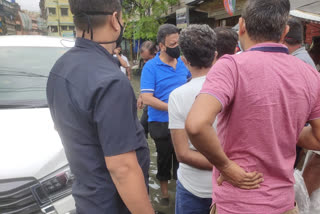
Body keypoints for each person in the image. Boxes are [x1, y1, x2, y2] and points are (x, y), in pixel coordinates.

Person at [185, 0, 320, 213]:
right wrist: (284, 130)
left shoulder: (231, 67)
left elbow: (196, 125)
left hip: (236, 204)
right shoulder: (310, 74)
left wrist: (226, 166)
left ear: (241, 25)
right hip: (283, 204)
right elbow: (317, 137)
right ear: (285, 31)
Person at [46, 0, 153, 213]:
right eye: (122, 19)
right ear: (115, 20)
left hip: (86, 198)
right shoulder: (111, 81)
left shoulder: (60, 68)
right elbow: (122, 168)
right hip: (112, 204)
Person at [168, 24, 240, 214]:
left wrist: (225, 165)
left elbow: (182, 153)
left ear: (184, 60)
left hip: (193, 187)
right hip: (230, 186)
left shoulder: (178, 95)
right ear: (216, 55)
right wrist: (231, 166)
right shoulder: (236, 88)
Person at [140, 24, 191, 205]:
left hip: (183, 122)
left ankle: (180, 191)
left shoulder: (184, 63)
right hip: (160, 122)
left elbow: (192, 83)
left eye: (179, 42)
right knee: (163, 158)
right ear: (161, 46)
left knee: (182, 158)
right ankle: (164, 194)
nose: (177, 46)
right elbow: (146, 97)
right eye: (173, 43)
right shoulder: (151, 67)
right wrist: (172, 107)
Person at [137, 41, 158, 138]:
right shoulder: (148, 67)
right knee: (141, 128)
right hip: (150, 103)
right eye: (143, 60)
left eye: (147, 59)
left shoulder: (161, 64)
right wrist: (141, 96)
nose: (145, 62)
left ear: (155, 52)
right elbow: (147, 85)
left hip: (160, 102)